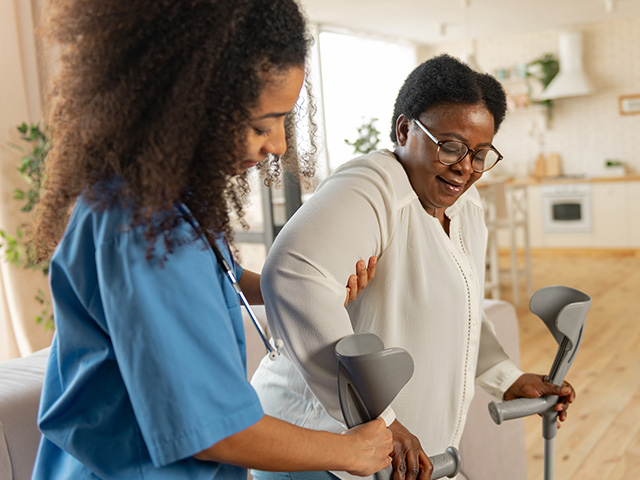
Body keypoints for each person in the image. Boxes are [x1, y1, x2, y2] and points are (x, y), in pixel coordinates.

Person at [29, 1, 393, 479]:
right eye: (261, 125)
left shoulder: (165, 197)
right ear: (190, 105)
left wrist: (296, 287)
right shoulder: (148, 230)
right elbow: (216, 431)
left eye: (285, 120)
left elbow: (219, 278)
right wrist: (350, 451)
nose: (278, 145)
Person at [250, 54, 576, 480]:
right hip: (319, 449)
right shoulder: (372, 184)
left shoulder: (466, 207)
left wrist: (506, 378)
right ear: (405, 130)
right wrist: (380, 419)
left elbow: (461, 312)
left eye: (479, 154)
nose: (465, 167)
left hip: (389, 462)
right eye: (451, 146)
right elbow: (292, 276)